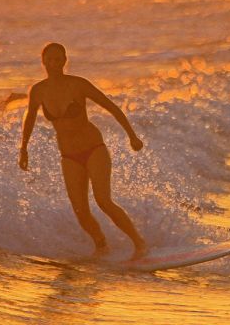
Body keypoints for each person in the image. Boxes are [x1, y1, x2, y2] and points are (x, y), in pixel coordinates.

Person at [19, 43, 147, 259]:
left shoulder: (78, 85)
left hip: (94, 148)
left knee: (103, 200)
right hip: (69, 156)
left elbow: (111, 107)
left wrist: (132, 136)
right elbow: (30, 118)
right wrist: (23, 148)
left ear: (65, 61)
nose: (54, 64)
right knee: (80, 211)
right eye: (50, 59)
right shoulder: (38, 91)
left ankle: (139, 243)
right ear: (43, 61)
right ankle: (101, 246)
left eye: (58, 59)